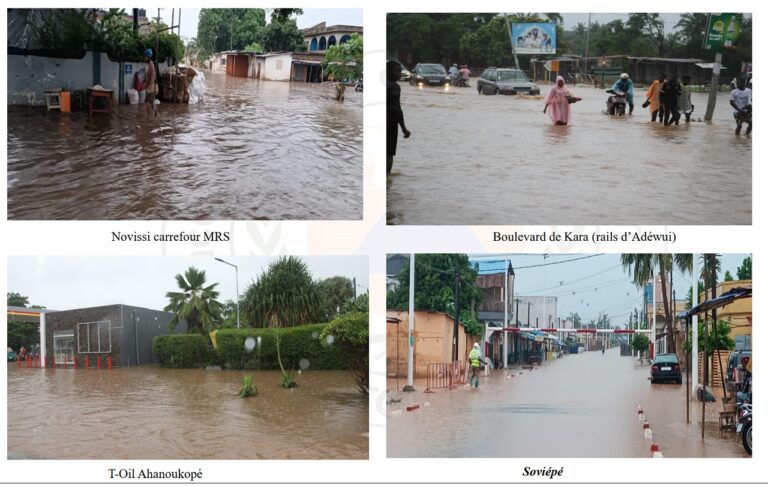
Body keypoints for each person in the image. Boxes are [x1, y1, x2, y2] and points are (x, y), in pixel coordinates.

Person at [386, 60, 411, 174]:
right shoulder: (394, 87)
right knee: (389, 153)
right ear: (389, 71)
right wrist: (404, 128)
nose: (400, 74)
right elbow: (396, 109)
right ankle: (386, 179)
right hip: (390, 125)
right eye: (398, 71)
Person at [143, 48, 157, 114]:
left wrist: (148, 84)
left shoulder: (151, 65)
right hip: (148, 87)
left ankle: (151, 116)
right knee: (150, 102)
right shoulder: (147, 65)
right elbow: (146, 75)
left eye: (145, 56)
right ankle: (153, 114)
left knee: (148, 102)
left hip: (151, 87)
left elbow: (152, 77)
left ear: (148, 57)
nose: (144, 58)